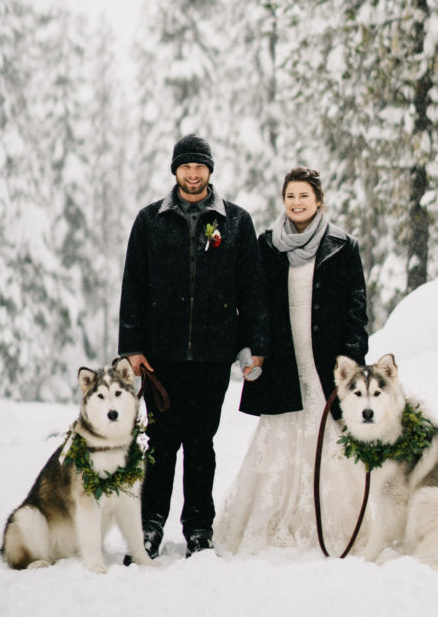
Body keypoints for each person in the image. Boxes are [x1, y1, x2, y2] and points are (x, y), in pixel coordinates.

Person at [118, 134, 270, 559]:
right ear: (175, 171)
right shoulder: (149, 221)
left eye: (199, 166)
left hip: (212, 355)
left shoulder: (235, 222)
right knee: (162, 442)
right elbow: (133, 286)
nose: (192, 173)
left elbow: (251, 290)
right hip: (161, 358)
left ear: (209, 171)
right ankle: (149, 526)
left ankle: (199, 528)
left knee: (202, 443)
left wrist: (254, 344)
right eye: (185, 166)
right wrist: (132, 346)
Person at [214, 166, 370, 555]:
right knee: (280, 437)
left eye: (304, 196)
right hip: (283, 361)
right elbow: (253, 302)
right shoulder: (267, 245)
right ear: (283, 201)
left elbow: (356, 310)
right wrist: (251, 346)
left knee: (330, 437)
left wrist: (352, 361)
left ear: (318, 200)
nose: (297, 203)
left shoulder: (342, 245)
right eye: (290, 196)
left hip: (326, 364)